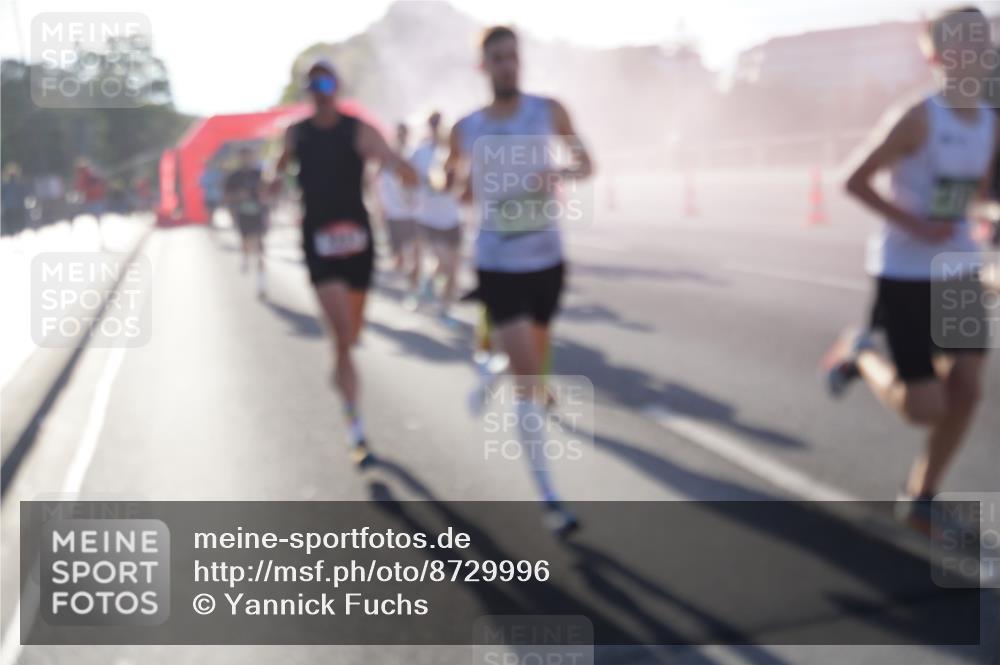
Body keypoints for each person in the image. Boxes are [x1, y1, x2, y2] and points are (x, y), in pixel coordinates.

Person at [822, 7, 998, 528]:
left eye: (984, 41)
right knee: (925, 408)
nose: (981, 52)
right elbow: (853, 180)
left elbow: (975, 197)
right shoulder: (917, 117)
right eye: (967, 44)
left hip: (959, 269)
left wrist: (986, 215)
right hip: (905, 273)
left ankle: (921, 495)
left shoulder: (989, 121)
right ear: (938, 56)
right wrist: (914, 224)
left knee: (965, 392)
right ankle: (861, 355)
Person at [445, 26, 594, 535]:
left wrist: (558, 176)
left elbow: (586, 163)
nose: (508, 66)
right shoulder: (465, 128)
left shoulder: (549, 111)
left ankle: (489, 366)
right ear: (481, 67)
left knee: (530, 354)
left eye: (513, 57)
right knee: (530, 381)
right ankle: (551, 497)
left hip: (547, 261)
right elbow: (452, 182)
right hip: (497, 263)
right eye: (497, 59)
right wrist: (455, 183)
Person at [274, 58, 417, 466]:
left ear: (337, 87)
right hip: (318, 242)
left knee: (350, 337)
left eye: (326, 81)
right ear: (307, 91)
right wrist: (272, 179)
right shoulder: (296, 134)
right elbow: (279, 166)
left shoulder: (358, 130)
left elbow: (390, 159)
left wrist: (408, 172)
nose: (320, 89)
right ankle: (355, 427)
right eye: (312, 83)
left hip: (358, 244)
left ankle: (341, 369)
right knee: (340, 337)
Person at [412, 111, 464, 323]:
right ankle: (428, 284)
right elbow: (409, 180)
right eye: (433, 124)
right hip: (429, 219)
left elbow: (465, 185)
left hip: (452, 218)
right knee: (444, 263)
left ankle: (445, 308)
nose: (437, 128)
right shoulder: (420, 153)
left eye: (440, 124)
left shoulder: (457, 153)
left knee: (452, 270)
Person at [375, 123, 422, 305]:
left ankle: (414, 290)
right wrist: (380, 207)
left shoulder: (414, 153)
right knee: (400, 257)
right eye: (400, 133)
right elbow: (378, 182)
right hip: (394, 214)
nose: (402, 136)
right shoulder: (386, 157)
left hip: (414, 213)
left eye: (404, 133)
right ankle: (404, 285)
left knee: (416, 253)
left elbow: (421, 180)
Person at [225, 145, 269, 298]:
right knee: (247, 243)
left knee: (261, 250)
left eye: (250, 156)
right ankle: (245, 255)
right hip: (242, 216)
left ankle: (261, 285)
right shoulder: (234, 176)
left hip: (259, 215)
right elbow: (227, 197)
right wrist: (239, 196)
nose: (248, 159)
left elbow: (270, 192)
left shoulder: (261, 174)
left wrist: (266, 199)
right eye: (245, 156)